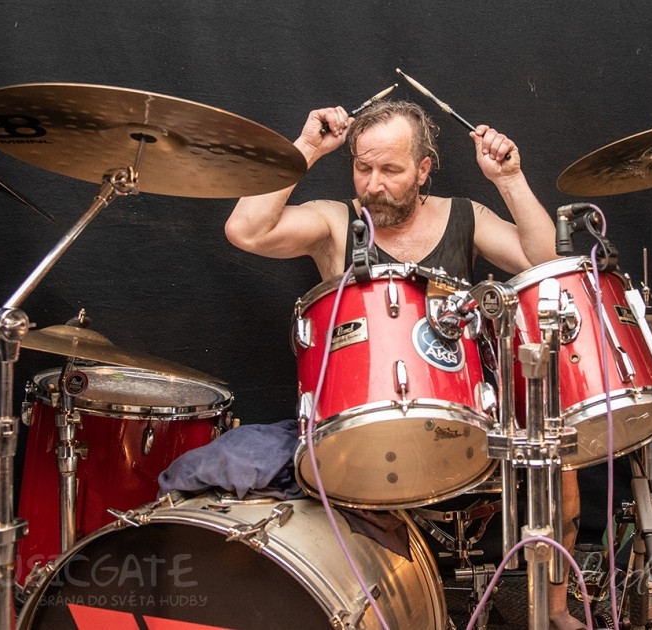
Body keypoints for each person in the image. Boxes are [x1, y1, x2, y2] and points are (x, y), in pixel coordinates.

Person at [225, 100, 584, 630]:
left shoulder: (463, 215)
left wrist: (509, 180)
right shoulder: (335, 221)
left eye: (391, 170)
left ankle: (554, 611)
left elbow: (547, 265)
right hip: (361, 422)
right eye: (362, 167)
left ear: (423, 168)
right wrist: (307, 149)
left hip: (459, 417)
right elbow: (245, 230)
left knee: (557, 448)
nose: (374, 184)